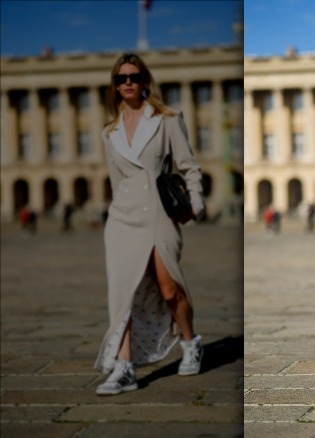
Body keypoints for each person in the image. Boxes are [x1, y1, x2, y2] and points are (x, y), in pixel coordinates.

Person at [94, 53, 206, 395]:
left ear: (145, 81)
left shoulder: (167, 120)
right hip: (122, 220)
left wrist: (196, 202)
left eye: (134, 76)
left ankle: (190, 341)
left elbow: (188, 165)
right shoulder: (108, 132)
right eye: (121, 78)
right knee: (123, 296)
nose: (127, 82)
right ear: (115, 86)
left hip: (158, 215)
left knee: (170, 289)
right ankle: (124, 367)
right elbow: (116, 182)